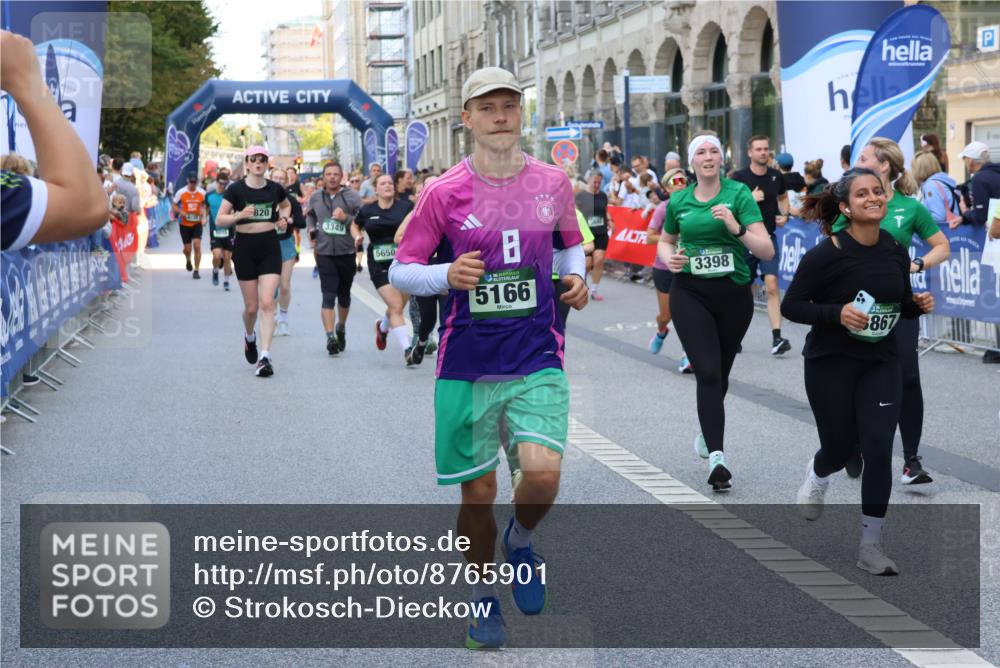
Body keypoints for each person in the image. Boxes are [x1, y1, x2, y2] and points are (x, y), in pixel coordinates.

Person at [388, 66, 588, 650]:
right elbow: (401, 270)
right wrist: (446, 275)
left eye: (509, 105)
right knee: (476, 494)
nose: (501, 115)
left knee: (544, 478)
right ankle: (481, 599)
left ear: (519, 113)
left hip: (536, 355)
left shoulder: (553, 182)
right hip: (467, 364)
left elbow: (571, 248)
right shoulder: (442, 192)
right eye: (488, 106)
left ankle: (521, 539)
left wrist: (573, 281)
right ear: (468, 119)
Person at [783, 167, 935, 575]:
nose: (874, 198)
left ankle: (871, 546)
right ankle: (818, 474)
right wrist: (837, 314)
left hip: (879, 363)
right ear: (846, 207)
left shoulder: (892, 248)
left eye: (879, 192)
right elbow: (791, 306)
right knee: (837, 447)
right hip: (830, 363)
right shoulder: (826, 254)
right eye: (863, 194)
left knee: (879, 448)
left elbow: (897, 303)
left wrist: (915, 304)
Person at [656, 132, 774, 491]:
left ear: (722, 159)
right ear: (691, 163)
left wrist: (735, 228)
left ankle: (707, 434)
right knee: (706, 370)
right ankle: (717, 457)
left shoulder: (738, 195)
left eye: (714, 151)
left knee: (720, 371)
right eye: (701, 152)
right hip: (689, 291)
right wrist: (670, 259)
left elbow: (766, 249)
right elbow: (665, 240)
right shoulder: (680, 201)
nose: (708, 156)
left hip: (733, 292)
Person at [836, 137, 950, 484]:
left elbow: (942, 247)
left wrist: (917, 264)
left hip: (898, 305)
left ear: (883, 166)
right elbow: (835, 247)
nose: (858, 162)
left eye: (866, 158)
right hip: (858, 306)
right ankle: (852, 441)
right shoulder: (851, 205)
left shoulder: (908, 208)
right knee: (856, 377)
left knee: (908, 378)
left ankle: (911, 461)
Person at [215, 145, 292, 377]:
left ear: (267, 163)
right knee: (252, 307)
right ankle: (250, 337)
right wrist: (239, 215)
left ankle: (265, 357)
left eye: (262, 159)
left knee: (268, 302)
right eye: (253, 159)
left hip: (269, 246)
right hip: (245, 248)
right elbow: (220, 219)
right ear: (247, 163)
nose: (258, 163)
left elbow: (286, 206)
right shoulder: (236, 190)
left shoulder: (275, 189)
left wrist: (284, 219)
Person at [731, 135, 793, 356]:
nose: (763, 153)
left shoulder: (776, 176)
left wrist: (784, 214)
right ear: (750, 152)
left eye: (766, 149)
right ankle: (734, 335)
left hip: (767, 239)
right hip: (744, 239)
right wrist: (749, 197)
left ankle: (777, 338)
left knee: (772, 284)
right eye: (758, 149)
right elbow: (727, 205)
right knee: (742, 290)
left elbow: (784, 197)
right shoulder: (738, 178)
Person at [355, 173, 415, 361]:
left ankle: (382, 328)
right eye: (383, 183)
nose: (387, 185)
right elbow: (355, 225)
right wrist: (357, 236)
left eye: (390, 183)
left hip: (404, 260)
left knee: (398, 305)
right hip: (379, 263)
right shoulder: (367, 210)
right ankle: (407, 350)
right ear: (376, 188)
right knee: (396, 305)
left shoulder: (406, 207)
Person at [305, 161, 363, 356]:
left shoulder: (352, 197)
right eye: (328, 174)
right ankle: (330, 337)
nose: (332, 177)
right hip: (324, 253)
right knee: (328, 294)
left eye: (335, 174)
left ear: (341, 176)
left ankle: (341, 327)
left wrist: (345, 218)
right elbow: (310, 216)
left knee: (344, 295)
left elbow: (361, 219)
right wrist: (311, 229)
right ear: (323, 177)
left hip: (346, 253)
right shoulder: (315, 197)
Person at [645, 168, 689, 366]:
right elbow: (649, 237)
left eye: (683, 180)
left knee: (687, 312)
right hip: (664, 267)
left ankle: (687, 354)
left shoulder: (696, 206)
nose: (680, 184)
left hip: (689, 267)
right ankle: (662, 331)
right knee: (666, 315)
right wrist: (671, 238)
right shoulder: (664, 208)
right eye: (675, 181)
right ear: (667, 188)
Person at [268, 167, 305, 335]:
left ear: (286, 180)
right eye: (275, 177)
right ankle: (273, 317)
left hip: (286, 243)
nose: (278, 181)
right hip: (267, 245)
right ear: (270, 178)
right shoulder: (263, 198)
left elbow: (302, 222)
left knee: (284, 285)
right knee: (271, 286)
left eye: (281, 178)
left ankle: (283, 319)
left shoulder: (291, 199)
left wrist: (290, 220)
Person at [576, 171, 610, 301]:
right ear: (588, 180)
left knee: (599, 259)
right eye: (594, 182)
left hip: (601, 232)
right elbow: (574, 214)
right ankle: (580, 286)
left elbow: (605, 210)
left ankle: (594, 289)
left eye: (599, 182)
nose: (596, 184)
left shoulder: (603, 195)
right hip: (586, 234)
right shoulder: (580, 196)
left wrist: (610, 220)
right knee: (586, 264)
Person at [911, 151, 962, 227]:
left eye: (913, 167)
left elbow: (939, 217)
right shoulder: (941, 181)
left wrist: (916, 220)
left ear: (920, 169)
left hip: (943, 232)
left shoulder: (931, 186)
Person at [172, 173, 207, 278]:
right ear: (188, 181)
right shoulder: (181, 192)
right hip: (184, 224)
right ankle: (188, 260)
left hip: (197, 223)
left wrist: (204, 215)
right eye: (191, 182)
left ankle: (196, 270)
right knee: (187, 249)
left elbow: (205, 205)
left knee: (197, 245)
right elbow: (174, 205)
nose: (193, 184)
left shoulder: (202, 192)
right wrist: (180, 212)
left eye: (194, 182)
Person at [959, 141, 1000, 227]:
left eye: (964, 159)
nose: (964, 163)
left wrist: (965, 211)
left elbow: (981, 217)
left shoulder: (979, 178)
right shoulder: (995, 172)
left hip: (994, 235)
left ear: (970, 161)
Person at [206, 170, 233, 290]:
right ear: (216, 182)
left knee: (227, 257)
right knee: (217, 256)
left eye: (225, 184)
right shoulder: (209, 195)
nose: (222, 186)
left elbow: (235, 210)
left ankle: (226, 281)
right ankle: (216, 271)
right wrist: (203, 218)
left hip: (228, 230)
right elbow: (205, 208)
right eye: (221, 183)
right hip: (215, 230)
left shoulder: (230, 196)